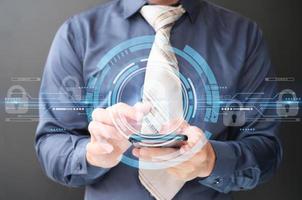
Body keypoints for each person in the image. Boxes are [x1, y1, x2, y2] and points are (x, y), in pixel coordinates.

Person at [35, 0, 282, 199]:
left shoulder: (244, 36)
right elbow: (51, 141)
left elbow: (266, 149)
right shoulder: (78, 34)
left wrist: (212, 161)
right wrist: (91, 154)